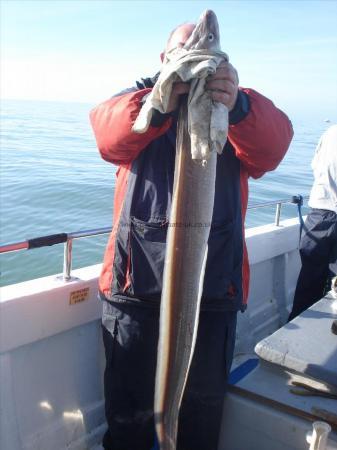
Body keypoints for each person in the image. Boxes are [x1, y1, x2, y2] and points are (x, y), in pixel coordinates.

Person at [90, 22, 293, 450]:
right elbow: (107, 136)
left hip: (213, 291)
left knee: (199, 419)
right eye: (182, 50)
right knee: (127, 420)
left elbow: (273, 147)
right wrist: (158, 103)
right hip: (133, 289)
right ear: (164, 60)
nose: (193, 55)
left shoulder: (234, 107)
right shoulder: (139, 103)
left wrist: (236, 107)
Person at [288, 125, 337, 321]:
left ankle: (296, 327)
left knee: (308, 279)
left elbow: (316, 165)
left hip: (319, 214)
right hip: (323, 210)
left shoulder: (330, 132)